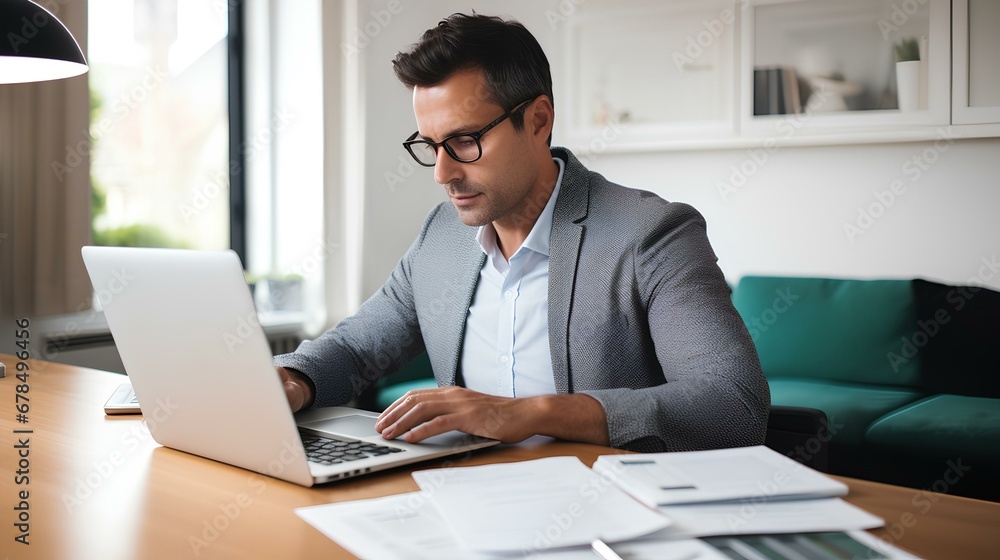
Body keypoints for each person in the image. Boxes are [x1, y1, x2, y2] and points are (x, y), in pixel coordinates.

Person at [274, 13, 769, 452]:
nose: (442, 174)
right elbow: (358, 347)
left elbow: (731, 404)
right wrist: (294, 379)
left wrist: (525, 413)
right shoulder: (442, 237)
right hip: (465, 503)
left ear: (537, 120)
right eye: (431, 145)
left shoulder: (651, 234)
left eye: (464, 141)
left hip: (606, 513)